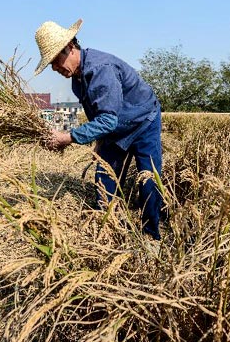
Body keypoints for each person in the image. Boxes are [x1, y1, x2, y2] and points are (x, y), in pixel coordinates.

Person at [34, 19, 163, 240]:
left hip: (143, 121)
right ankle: (109, 230)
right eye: (51, 65)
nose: (55, 68)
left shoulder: (101, 70)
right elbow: (100, 115)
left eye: (56, 60)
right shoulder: (77, 80)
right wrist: (99, 143)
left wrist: (67, 137)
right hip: (116, 128)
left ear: (71, 47)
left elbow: (107, 120)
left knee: (148, 179)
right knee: (105, 180)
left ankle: (152, 235)